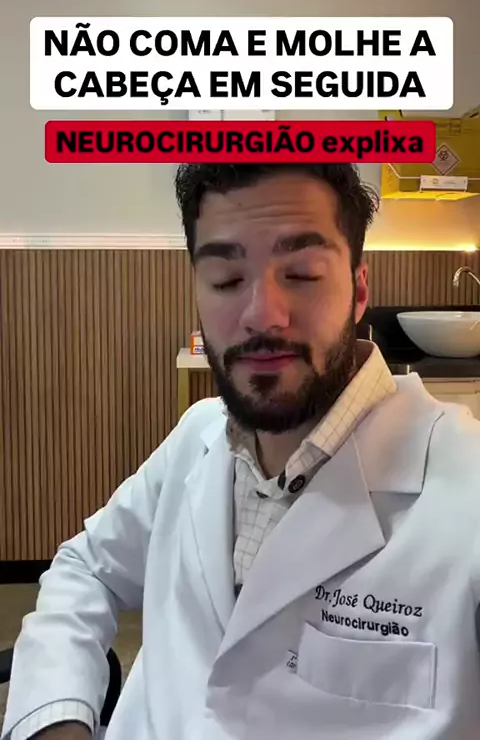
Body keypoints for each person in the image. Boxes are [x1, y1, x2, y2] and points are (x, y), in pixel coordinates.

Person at [3, 162, 480, 740]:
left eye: (301, 274)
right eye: (226, 279)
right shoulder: (197, 436)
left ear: (358, 291)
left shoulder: (465, 492)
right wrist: (54, 717)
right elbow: (86, 570)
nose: (261, 315)